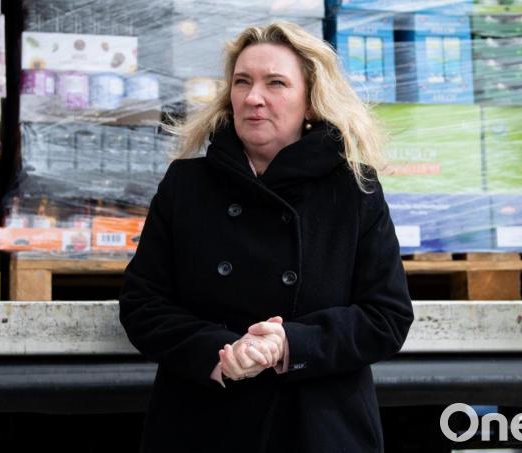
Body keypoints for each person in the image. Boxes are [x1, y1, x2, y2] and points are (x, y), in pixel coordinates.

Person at [119, 20, 414, 453]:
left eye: (275, 83)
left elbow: (386, 316)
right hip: (202, 422)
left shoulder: (353, 189)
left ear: (310, 102)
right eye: (242, 82)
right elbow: (143, 305)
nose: (254, 98)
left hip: (316, 426)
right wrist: (221, 351)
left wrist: (289, 344)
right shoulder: (186, 184)